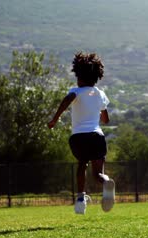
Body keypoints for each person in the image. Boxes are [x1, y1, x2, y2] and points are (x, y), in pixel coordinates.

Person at [48, 52, 115, 215]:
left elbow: (67, 99)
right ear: (96, 77)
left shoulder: (75, 91)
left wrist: (55, 119)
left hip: (78, 137)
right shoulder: (100, 93)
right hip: (96, 136)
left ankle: (80, 199)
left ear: (79, 76)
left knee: (82, 164)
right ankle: (106, 182)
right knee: (98, 173)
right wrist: (95, 111)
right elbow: (106, 119)